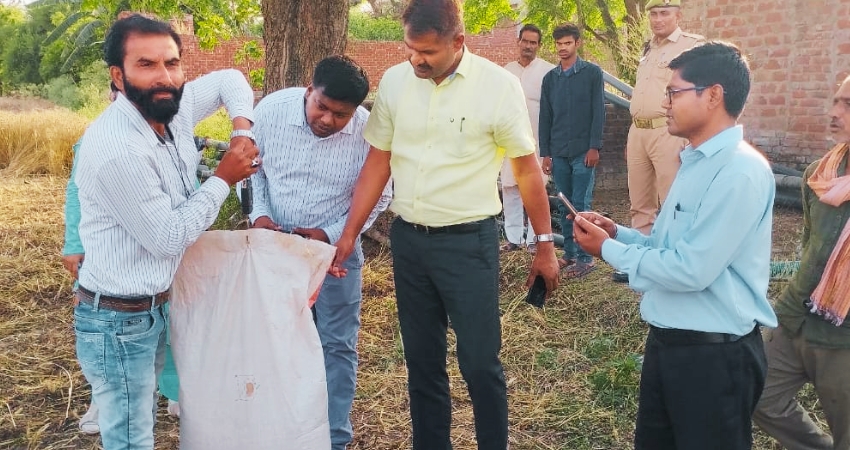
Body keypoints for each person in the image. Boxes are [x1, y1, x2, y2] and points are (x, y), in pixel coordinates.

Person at [328, 1, 559, 448]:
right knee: (422, 361)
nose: (417, 59)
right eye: (411, 49)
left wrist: (544, 244)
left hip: (468, 245)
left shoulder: (498, 87)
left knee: (478, 362)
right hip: (410, 242)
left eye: (428, 52)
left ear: (458, 42)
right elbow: (379, 161)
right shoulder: (396, 81)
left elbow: (527, 170)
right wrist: (350, 231)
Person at [572, 42, 778, 450]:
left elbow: (691, 269)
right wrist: (618, 235)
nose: (665, 104)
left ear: (713, 95)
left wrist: (608, 252)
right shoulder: (695, 161)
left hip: (714, 358)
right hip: (672, 344)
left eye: (674, 92)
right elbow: (669, 247)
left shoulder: (739, 171)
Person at [73, 14, 259, 449]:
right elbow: (169, 237)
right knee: (131, 438)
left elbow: (232, 78)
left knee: (140, 428)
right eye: (146, 65)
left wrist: (240, 130)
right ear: (117, 76)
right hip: (118, 319)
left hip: (152, 308)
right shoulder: (118, 148)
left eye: (172, 63)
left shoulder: (170, 110)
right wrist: (223, 179)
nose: (164, 77)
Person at [248, 55, 392, 450]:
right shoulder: (270, 112)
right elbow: (255, 171)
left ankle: (333, 439)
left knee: (336, 345)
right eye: (321, 107)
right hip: (276, 251)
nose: (327, 119)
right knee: (277, 341)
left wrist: (331, 236)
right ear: (309, 91)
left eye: (340, 115)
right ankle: (281, 432)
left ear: (356, 111)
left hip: (336, 258)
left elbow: (382, 195)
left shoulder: (369, 133)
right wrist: (259, 216)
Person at [753, 75, 850, 450]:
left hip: (844, 337)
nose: (834, 113)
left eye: (848, 105)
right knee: (757, 393)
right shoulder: (819, 175)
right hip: (797, 316)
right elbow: (810, 246)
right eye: (836, 101)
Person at [617, 0, 704, 282]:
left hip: (668, 130)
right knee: (639, 203)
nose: (658, 19)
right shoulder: (648, 48)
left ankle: (673, 262)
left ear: (678, 15)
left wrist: (691, 136)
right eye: (653, 14)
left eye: (664, 13)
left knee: (673, 202)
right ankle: (639, 262)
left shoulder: (692, 46)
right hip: (639, 130)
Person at [538, 23, 605, 278]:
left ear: (577, 43)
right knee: (564, 205)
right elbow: (546, 117)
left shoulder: (592, 73)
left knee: (581, 204)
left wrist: (594, 146)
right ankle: (569, 254)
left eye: (567, 43)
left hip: (582, 151)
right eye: (558, 44)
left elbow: (598, 112)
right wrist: (546, 153)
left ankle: (586, 258)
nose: (563, 48)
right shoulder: (551, 79)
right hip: (558, 151)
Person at [499, 24, 554, 253]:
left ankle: (534, 239)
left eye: (533, 42)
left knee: (535, 189)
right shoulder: (506, 71)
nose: (529, 46)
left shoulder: (548, 71)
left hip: (537, 141)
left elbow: (553, 109)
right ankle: (513, 238)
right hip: (509, 139)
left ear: (539, 46)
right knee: (510, 188)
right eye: (525, 41)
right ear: (518, 42)